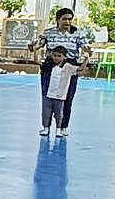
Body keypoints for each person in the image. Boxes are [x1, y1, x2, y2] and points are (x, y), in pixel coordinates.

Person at [29, 8, 91, 137]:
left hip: (69, 67)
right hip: (50, 67)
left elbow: (85, 47)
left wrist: (87, 51)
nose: (67, 22)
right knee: (47, 97)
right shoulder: (48, 32)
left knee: (68, 97)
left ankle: (63, 126)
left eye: (69, 19)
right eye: (64, 19)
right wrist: (33, 47)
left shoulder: (78, 33)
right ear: (58, 20)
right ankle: (46, 126)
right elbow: (37, 45)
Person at [41, 46, 79, 137]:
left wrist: (86, 59)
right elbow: (37, 63)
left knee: (59, 114)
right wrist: (35, 51)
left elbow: (80, 69)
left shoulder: (67, 67)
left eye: (59, 56)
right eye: (54, 55)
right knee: (46, 113)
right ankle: (46, 128)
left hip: (59, 96)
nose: (56, 58)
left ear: (64, 57)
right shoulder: (49, 66)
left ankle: (59, 129)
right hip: (49, 95)